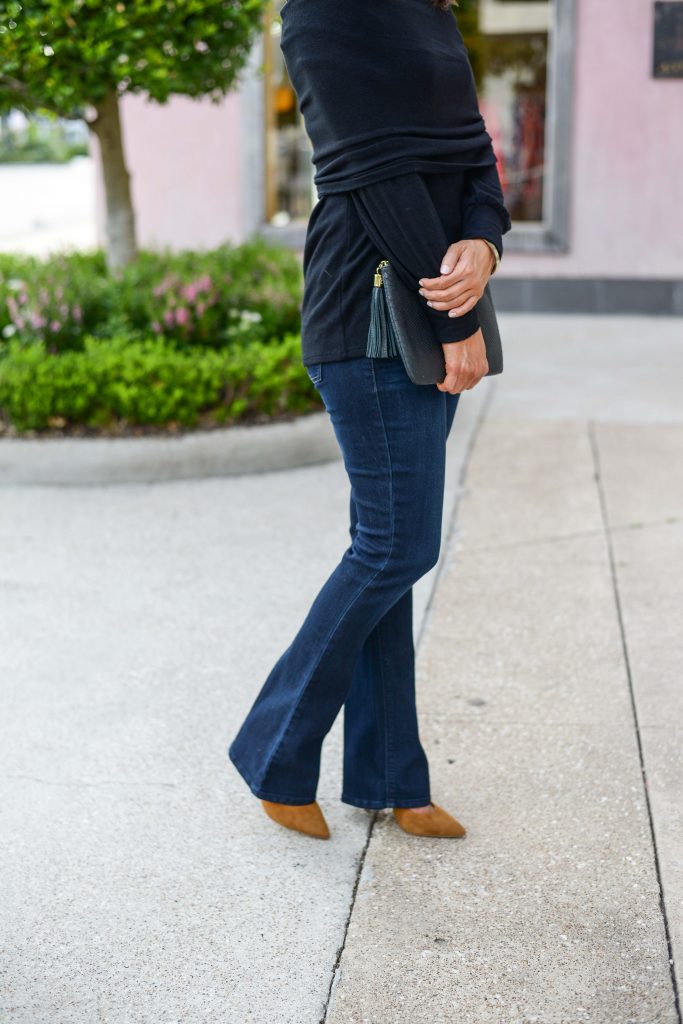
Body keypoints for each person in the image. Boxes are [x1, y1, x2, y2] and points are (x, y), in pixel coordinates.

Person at [228, 0, 512, 840]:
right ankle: (273, 749)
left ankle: (393, 779)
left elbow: (474, 157)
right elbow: (375, 176)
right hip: (367, 318)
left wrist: (484, 243)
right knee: (397, 545)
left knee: (386, 551)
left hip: (429, 306)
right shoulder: (321, 15)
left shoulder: (430, 14)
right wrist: (456, 321)